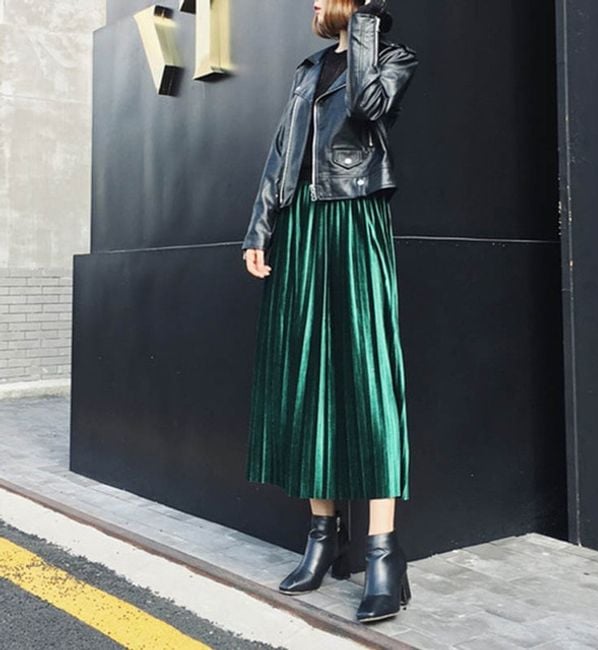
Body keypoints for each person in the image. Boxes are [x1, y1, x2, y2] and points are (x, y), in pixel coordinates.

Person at [240, 0, 418, 623]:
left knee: (368, 378)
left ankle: (382, 554)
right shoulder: (309, 68)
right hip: (301, 228)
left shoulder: (393, 57)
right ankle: (322, 537)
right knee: (307, 379)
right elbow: (282, 151)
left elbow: (369, 107)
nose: (312, 2)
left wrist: (366, 23)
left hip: (354, 217)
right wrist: (260, 228)